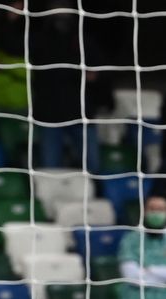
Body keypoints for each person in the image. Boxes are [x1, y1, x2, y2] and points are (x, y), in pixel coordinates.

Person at [27, 0, 113, 173]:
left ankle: (93, 196)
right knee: (50, 169)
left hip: (80, 113)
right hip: (49, 114)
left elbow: (102, 69)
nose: (61, 19)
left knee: (92, 166)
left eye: (65, 14)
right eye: (56, 14)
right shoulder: (39, 40)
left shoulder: (83, 40)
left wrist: (94, 75)